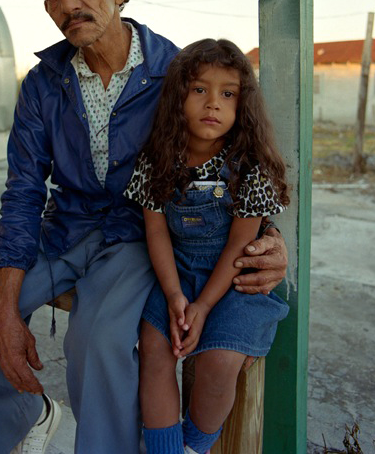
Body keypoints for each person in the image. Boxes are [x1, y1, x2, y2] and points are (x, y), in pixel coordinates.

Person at [0, 0, 289, 454]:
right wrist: (6, 306)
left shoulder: (176, 71)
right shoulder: (43, 85)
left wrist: (272, 239)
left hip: (136, 237)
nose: (67, 3)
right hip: (63, 232)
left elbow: (237, 156)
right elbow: (25, 191)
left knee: (98, 343)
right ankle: (24, 422)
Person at [125, 38, 290, 454]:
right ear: (178, 95)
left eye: (227, 94)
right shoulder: (157, 159)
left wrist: (203, 306)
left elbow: (241, 244)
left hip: (235, 280)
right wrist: (176, 295)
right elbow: (157, 232)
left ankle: (193, 446)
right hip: (177, 273)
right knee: (155, 349)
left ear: (241, 105)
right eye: (199, 89)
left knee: (219, 361)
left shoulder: (249, 167)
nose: (213, 103)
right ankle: (162, 450)